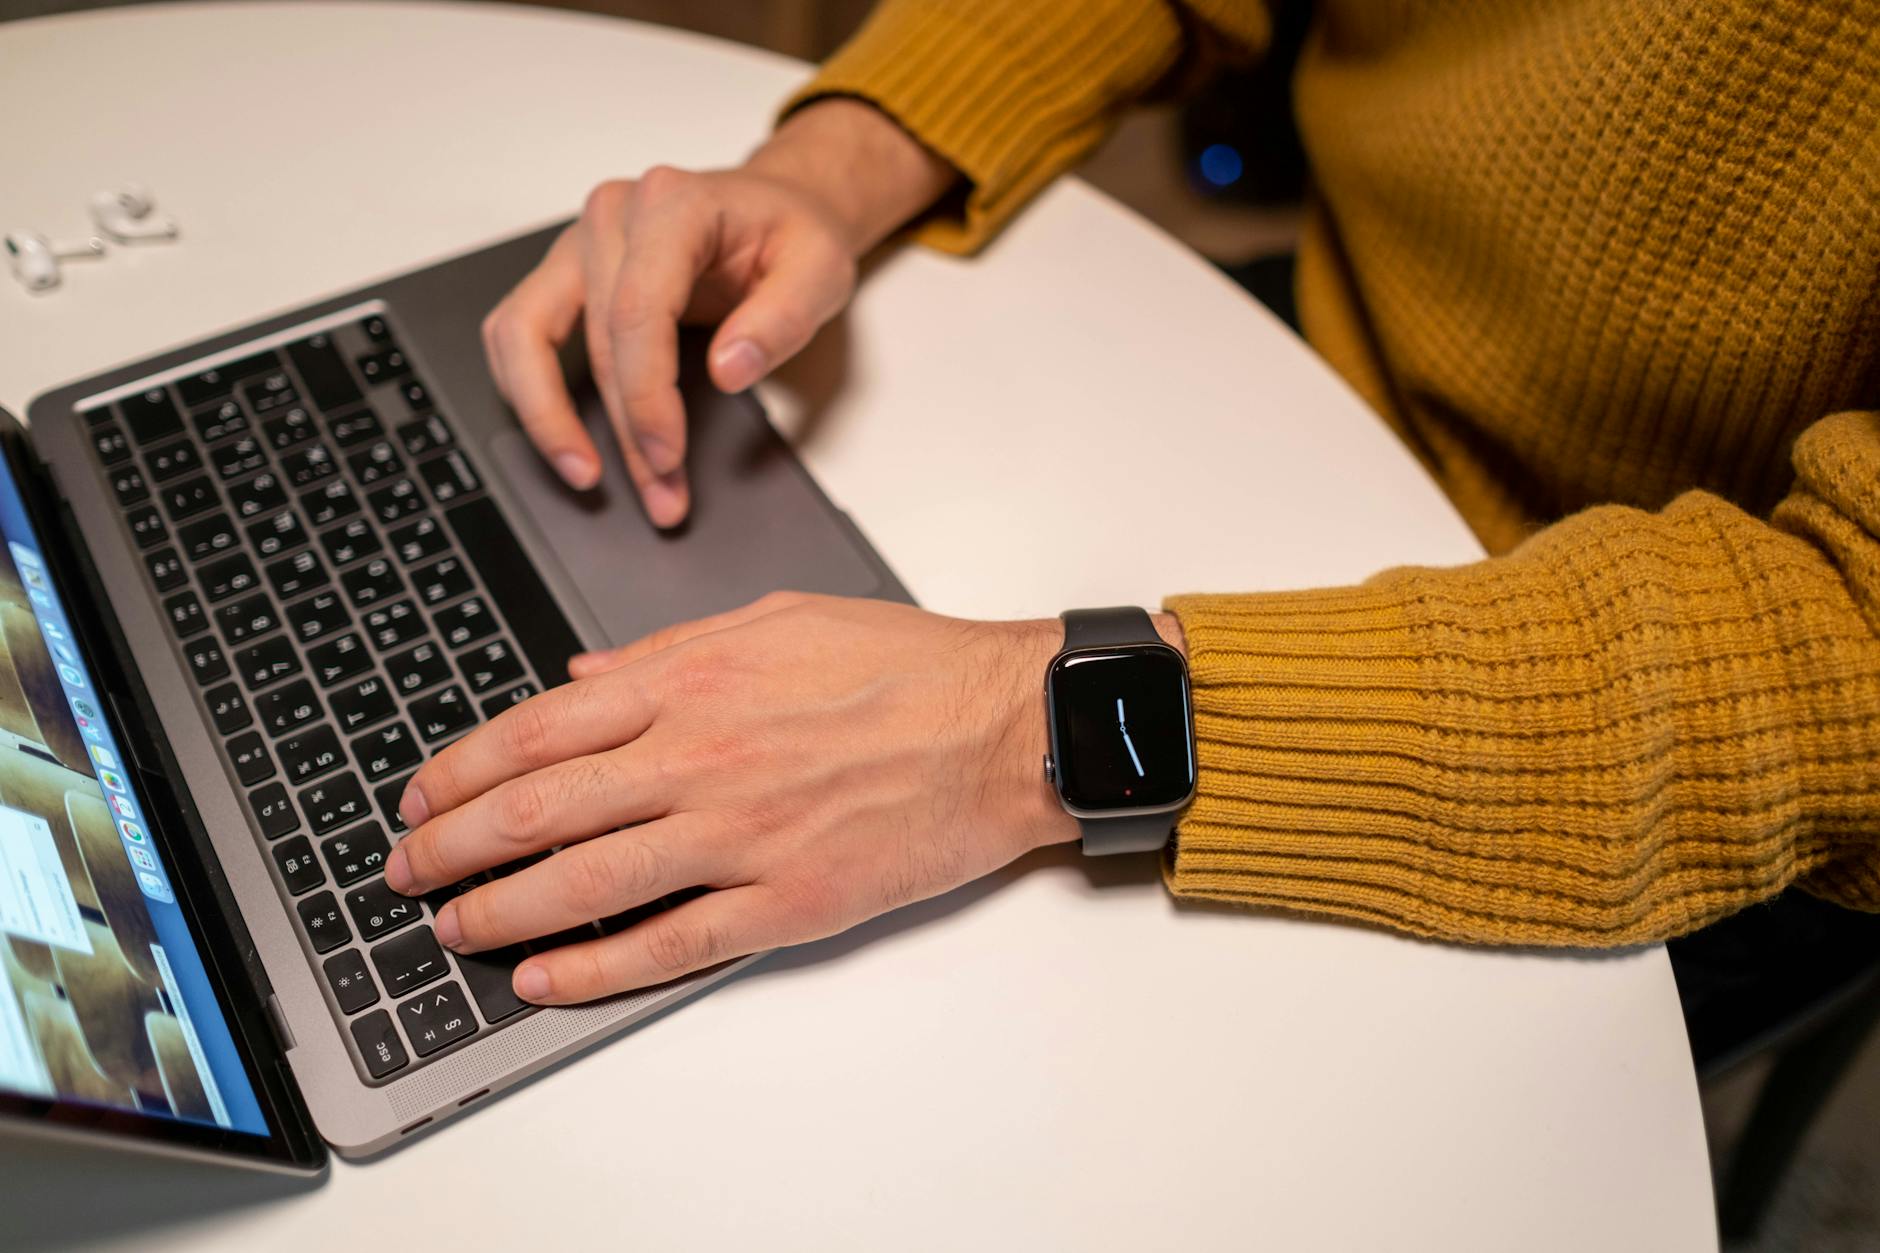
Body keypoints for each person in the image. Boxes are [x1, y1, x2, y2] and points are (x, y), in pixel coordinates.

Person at [382, 0, 1880, 1006]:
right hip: (1323, 346)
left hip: (1645, 717)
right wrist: (834, 166)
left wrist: (1003, 725)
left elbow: (1847, 650)